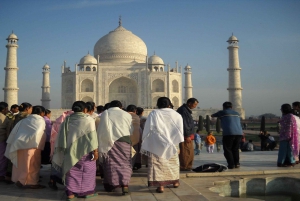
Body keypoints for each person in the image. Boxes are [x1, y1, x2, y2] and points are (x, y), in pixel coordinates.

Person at [52, 101, 98, 199]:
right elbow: (92, 137)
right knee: (88, 170)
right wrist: (95, 151)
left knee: (71, 170)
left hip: (69, 150)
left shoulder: (67, 119)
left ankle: (70, 193)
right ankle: (87, 192)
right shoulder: (88, 120)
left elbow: (62, 136)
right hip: (85, 150)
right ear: (85, 109)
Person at [141, 97, 184, 193]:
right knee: (173, 163)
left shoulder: (154, 113)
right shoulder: (176, 115)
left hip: (157, 143)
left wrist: (146, 142)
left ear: (158, 104)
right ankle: (175, 182)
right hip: (173, 143)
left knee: (158, 164)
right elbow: (179, 131)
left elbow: (148, 128)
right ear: (169, 104)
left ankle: (161, 186)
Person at [5, 105, 46, 189]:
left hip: (19, 145)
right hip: (32, 146)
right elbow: (39, 132)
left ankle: (20, 180)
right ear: (41, 113)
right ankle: (33, 183)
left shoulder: (25, 120)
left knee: (21, 164)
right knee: (33, 165)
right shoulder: (40, 120)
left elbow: (15, 131)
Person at [97, 100, 133, 195]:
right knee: (125, 162)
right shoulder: (127, 114)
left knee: (111, 163)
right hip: (125, 141)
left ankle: (113, 184)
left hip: (110, 141)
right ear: (121, 107)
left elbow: (102, 128)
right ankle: (125, 185)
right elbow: (131, 129)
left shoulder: (106, 113)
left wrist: (101, 141)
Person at [211, 102, 243, 169]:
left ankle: (231, 164)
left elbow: (212, 115)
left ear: (224, 107)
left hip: (229, 133)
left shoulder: (223, 112)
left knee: (228, 149)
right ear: (231, 107)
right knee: (235, 149)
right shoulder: (237, 113)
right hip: (239, 133)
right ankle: (237, 163)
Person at [48, 110, 74, 190]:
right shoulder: (72, 121)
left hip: (56, 145)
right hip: (67, 145)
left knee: (56, 162)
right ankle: (69, 183)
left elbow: (53, 134)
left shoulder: (58, 121)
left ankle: (53, 180)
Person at [177, 98, 199, 171]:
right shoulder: (183, 111)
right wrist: (187, 135)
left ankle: (188, 166)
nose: (195, 106)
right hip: (186, 135)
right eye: (194, 104)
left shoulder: (186, 110)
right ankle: (184, 166)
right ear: (189, 103)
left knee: (190, 152)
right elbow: (185, 124)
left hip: (188, 135)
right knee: (186, 151)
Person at [126, 105, 141, 170]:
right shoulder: (136, 117)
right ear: (135, 111)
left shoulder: (123, 115)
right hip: (135, 139)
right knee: (133, 155)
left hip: (124, 139)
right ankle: (130, 168)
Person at [0, 102, 11, 183]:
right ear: (4, 109)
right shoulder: (5, 118)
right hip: (1, 140)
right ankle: (1, 174)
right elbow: (7, 131)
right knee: (2, 159)